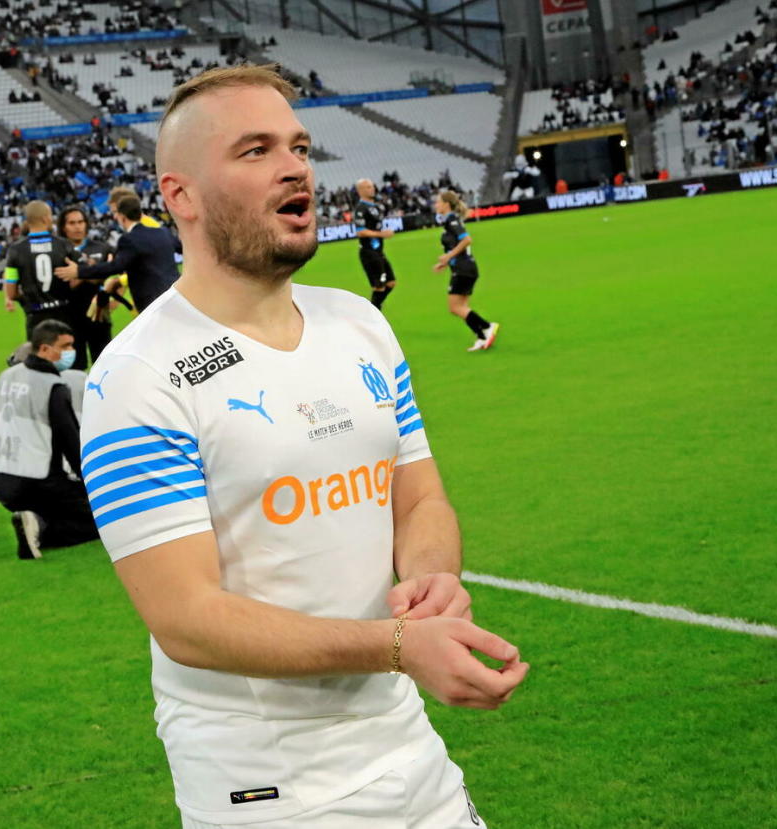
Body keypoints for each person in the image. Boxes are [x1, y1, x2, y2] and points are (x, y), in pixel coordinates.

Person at [80, 64, 528, 828]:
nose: (295, 167)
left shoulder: (360, 323)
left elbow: (418, 495)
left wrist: (431, 581)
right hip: (271, 791)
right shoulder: (137, 375)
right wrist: (395, 645)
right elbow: (184, 616)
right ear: (178, 195)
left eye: (299, 146)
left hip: (412, 753)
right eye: (255, 150)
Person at [0, 320, 98, 559]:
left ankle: (35, 518)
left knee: (65, 506)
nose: (69, 352)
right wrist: (93, 488)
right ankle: (41, 528)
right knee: (103, 519)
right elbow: (72, 445)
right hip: (39, 482)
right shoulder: (53, 386)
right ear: (45, 349)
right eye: (64, 346)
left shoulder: (7, 376)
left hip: (1, 482)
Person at [54, 194, 179, 314]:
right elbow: (183, 248)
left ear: (122, 217)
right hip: (176, 295)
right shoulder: (162, 232)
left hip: (152, 303)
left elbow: (115, 266)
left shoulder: (129, 240)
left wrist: (79, 271)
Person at [1, 200, 78, 340]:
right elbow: (76, 279)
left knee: (40, 359)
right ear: (45, 218)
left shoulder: (15, 250)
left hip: (35, 317)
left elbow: (11, 292)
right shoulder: (63, 245)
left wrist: (27, 300)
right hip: (64, 314)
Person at [432, 191, 498, 352]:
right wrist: (446, 262)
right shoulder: (448, 221)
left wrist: (448, 256)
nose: (436, 205)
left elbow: (467, 239)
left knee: (455, 307)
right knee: (462, 306)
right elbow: (456, 246)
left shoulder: (452, 220)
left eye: (438, 202)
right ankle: (482, 337)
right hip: (464, 268)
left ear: (446, 204)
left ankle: (487, 326)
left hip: (463, 269)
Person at [56, 204, 114, 369]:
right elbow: (67, 283)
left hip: (99, 316)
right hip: (69, 319)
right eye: (72, 223)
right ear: (63, 227)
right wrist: (94, 270)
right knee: (75, 369)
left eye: (81, 222)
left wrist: (78, 272)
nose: (77, 227)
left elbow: (113, 275)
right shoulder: (58, 251)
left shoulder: (102, 248)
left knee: (105, 367)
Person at [353, 178, 397, 310]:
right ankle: (373, 313)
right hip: (369, 253)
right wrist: (381, 234)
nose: (372, 189)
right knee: (379, 287)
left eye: (372, 186)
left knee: (391, 283)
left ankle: (374, 307)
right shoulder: (360, 209)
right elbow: (360, 232)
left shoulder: (375, 207)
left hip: (378, 251)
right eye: (367, 187)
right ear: (360, 191)